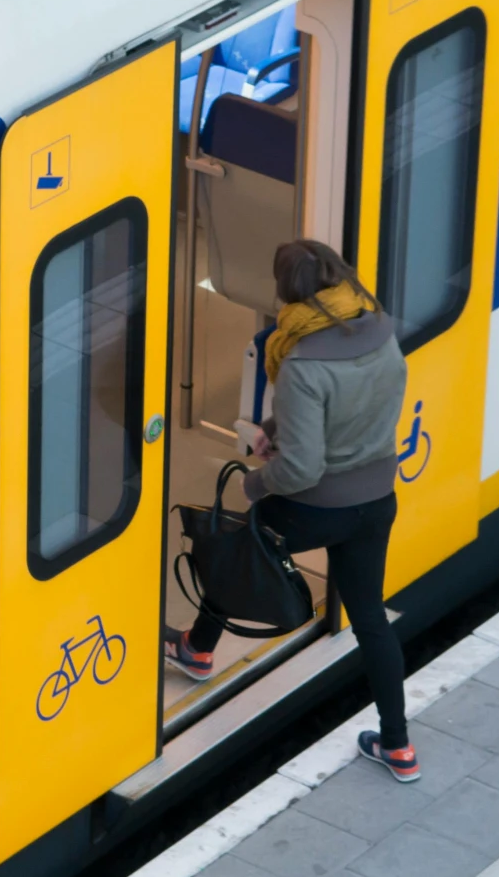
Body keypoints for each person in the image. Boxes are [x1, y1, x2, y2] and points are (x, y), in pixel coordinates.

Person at [165, 240, 417, 782]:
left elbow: (301, 471)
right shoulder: (378, 330)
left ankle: (198, 650)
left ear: (286, 294)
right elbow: (349, 408)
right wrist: (277, 431)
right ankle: (397, 746)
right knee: (370, 619)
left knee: (233, 548)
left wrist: (257, 484)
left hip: (318, 505)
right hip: (375, 502)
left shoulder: (302, 362)